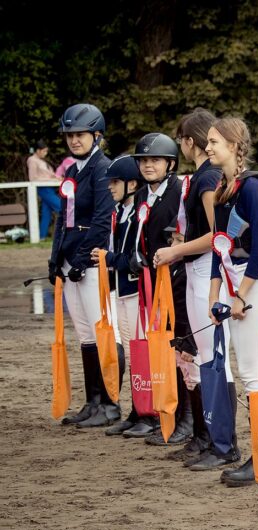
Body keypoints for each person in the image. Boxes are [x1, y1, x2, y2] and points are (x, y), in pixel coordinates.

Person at [153, 108, 240, 469]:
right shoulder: (204, 175)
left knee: (212, 356)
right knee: (203, 357)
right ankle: (210, 438)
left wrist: (177, 249)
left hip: (207, 269)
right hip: (197, 268)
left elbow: (214, 234)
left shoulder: (207, 179)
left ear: (191, 142)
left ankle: (224, 444)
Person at [204, 117, 258, 487]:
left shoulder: (251, 188)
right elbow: (220, 246)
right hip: (234, 287)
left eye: (214, 142)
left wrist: (240, 295)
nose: (208, 148)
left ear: (235, 145)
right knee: (248, 372)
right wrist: (213, 293)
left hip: (254, 287)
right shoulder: (224, 188)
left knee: (254, 375)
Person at [130, 132, 209, 453]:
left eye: (155, 160)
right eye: (144, 161)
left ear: (170, 163)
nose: (148, 165)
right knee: (166, 343)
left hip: (177, 277)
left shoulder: (179, 191)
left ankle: (188, 418)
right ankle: (174, 411)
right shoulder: (141, 196)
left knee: (182, 342)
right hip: (152, 279)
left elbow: (183, 230)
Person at [48, 103, 121, 428]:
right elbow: (64, 219)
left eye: (79, 135)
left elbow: (103, 220)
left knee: (102, 330)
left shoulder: (103, 168)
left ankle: (110, 403)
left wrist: (80, 259)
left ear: (96, 135)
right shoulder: (72, 172)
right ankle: (92, 402)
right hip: (71, 263)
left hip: (91, 263)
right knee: (84, 335)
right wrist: (55, 259)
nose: (74, 141)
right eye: (70, 136)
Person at [91, 155, 155, 437]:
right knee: (132, 353)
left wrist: (108, 258)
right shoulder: (122, 213)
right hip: (122, 290)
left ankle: (149, 413)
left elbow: (134, 259)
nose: (110, 187)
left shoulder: (140, 214)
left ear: (131, 184)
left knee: (142, 352)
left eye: (115, 182)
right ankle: (137, 409)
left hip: (137, 291)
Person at [27, 140, 61, 239]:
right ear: (38, 150)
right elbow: (32, 178)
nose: (46, 153)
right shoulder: (32, 160)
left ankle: (41, 236)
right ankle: (71, 233)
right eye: (44, 151)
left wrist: (56, 178)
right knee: (63, 208)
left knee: (47, 213)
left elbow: (48, 175)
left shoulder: (42, 161)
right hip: (43, 188)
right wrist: (53, 179)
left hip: (49, 188)